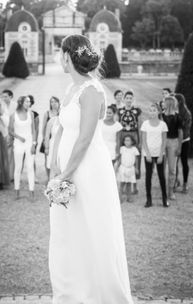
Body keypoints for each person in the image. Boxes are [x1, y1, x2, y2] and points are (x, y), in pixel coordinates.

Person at [48, 34, 133, 303]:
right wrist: (53, 168)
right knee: (67, 232)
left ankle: (100, 295)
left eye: (61, 54)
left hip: (88, 172)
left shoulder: (93, 90)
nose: (59, 58)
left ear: (68, 57)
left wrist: (65, 175)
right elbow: (61, 129)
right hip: (65, 171)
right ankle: (73, 294)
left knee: (93, 229)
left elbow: (84, 139)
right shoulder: (70, 89)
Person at [140, 103, 169, 208]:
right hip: (148, 154)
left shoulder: (163, 125)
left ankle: (165, 199)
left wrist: (161, 155)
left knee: (161, 176)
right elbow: (143, 140)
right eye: (150, 110)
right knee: (148, 176)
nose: (152, 112)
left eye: (154, 110)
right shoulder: (145, 124)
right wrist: (147, 154)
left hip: (159, 153)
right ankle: (149, 200)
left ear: (158, 112)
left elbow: (164, 141)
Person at [8, 95, 37, 200]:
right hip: (18, 143)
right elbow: (10, 131)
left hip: (29, 143)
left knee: (30, 167)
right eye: (26, 102)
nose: (28, 104)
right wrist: (19, 137)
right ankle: (17, 191)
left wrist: (34, 144)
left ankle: (31, 191)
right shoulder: (13, 115)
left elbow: (34, 130)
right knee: (18, 168)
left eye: (29, 102)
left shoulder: (31, 114)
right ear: (21, 103)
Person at [117, 90, 142, 194]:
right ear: (124, 99)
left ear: (133, 99)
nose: (128, 100)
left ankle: (134, 185)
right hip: (123, 134)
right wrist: (118, 140)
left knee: (135, 158)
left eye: (130, 98)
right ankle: (122, 184)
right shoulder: (120, 111)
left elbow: (139, 125)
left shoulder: (137, 111)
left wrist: (139, 140)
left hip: (133, 135)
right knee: (123, 158)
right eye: (127, 98)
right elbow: (118, 126)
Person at [161, 95, 183, 200]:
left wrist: (179, 146)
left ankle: (170, 191)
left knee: (172, 169)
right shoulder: (161, 116)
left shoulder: (178, 117)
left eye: (165, 102)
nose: (163, 104)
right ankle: (163, 191)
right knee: (161, 168)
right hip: (162, 142)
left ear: (169, 103)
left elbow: (180, 132)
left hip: (173, 142)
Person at [174, 93, 192, 193]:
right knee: (174, 163)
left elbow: (185, 128)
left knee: (184, 162)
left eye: (175, 100)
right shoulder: (172, 111)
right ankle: (176, 181)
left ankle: (185, 183)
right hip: (174, 141)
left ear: (180, 102)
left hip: (184, 140)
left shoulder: (186, 113)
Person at [42, 96, 61, 181]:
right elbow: (46, 133)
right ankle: (50, 180)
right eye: (51, 102)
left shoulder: (65, 121)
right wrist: (46, 146)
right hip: (52, 143)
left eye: (55, 102)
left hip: (62, 145)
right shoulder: (51, 119)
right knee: (49, 163)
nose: (53, 103)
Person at [117, 134, 140, 203]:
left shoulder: (134, 149)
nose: (126, 142)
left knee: (129, 184)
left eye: (128, 140)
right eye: (125, 140)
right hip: (123, 168)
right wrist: (117, 167)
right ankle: (119, 198)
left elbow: (137, 160)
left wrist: (137, 168)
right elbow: (120, 158)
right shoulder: (122, 148)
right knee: (122, 184)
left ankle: (129, 197)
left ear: (132, 141)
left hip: (131, 169)